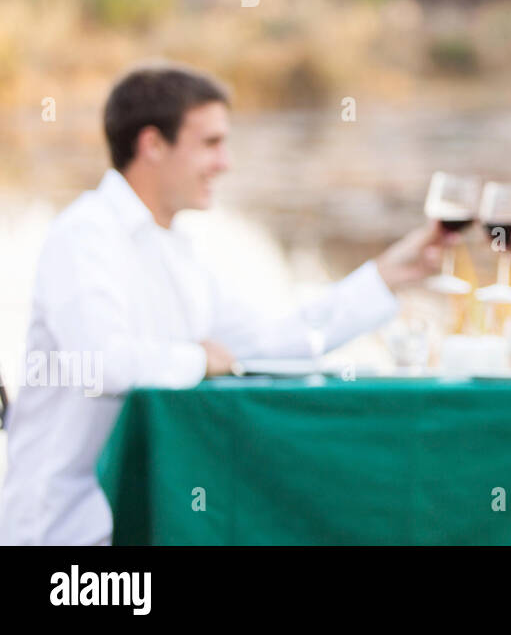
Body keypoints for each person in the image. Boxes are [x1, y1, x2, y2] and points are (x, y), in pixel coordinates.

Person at [0, 63, 448, 545]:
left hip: (137, 525)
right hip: (60, 533)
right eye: (210, 143)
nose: (226, 162)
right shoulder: (83, 235)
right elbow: (103, 364)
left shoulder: (174, 251)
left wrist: (386, 276)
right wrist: (199, 360)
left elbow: (270, 341)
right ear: (152, 144)